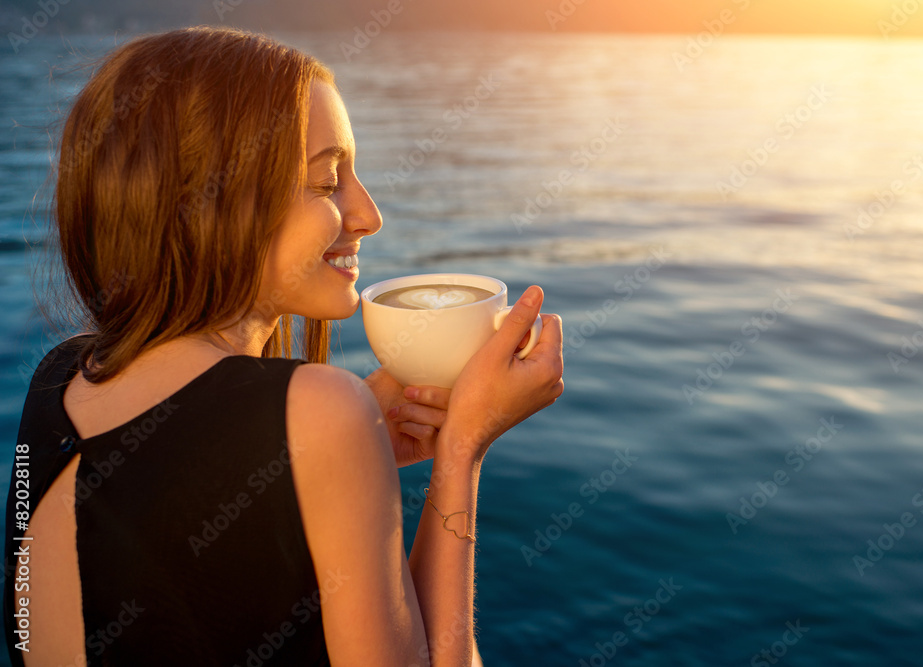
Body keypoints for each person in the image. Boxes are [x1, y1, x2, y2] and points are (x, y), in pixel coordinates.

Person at [3, 26, 563, 666]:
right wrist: (462, 449)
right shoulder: (324, 407)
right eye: (328, 182)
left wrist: (334, 446)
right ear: (212, 201)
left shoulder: (58, 379)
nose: (368, 214)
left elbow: (96, 581)